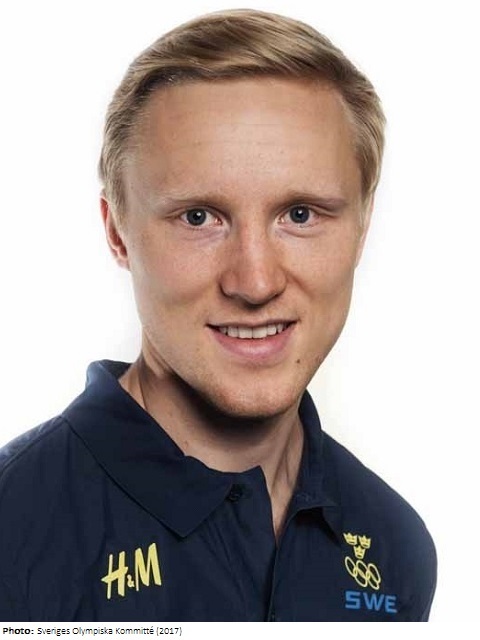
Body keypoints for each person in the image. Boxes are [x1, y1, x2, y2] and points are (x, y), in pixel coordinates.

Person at [0, 8, 436, 622]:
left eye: (301, 215)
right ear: (117, 232)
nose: (255, 282)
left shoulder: (395, 545)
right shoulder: (13, 529)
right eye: (199, 217)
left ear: (362, 230)